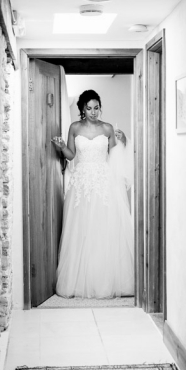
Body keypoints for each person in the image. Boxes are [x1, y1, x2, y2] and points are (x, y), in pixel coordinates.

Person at [51, 90, 134, 298]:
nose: (93, 112)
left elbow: (114, 155)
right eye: (89, 108)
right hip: (81, 183)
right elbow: (71, 155)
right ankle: (79, 281)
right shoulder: (75, 127)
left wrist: (123, 141)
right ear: (82, 109)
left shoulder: (107, 128)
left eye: (96, 107)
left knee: (103, 229)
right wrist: (62, 147)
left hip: (103, 181)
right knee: (81, 229)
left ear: (100, 108)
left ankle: (105, 280)